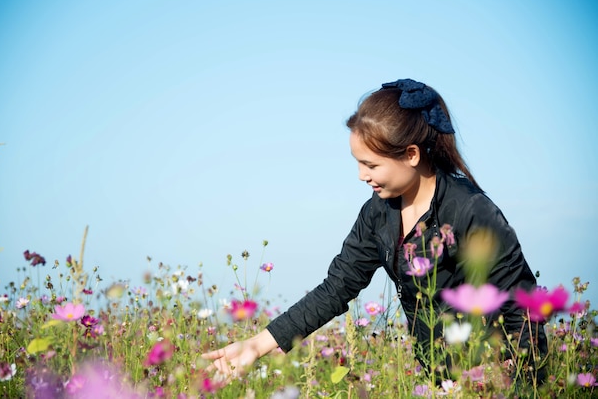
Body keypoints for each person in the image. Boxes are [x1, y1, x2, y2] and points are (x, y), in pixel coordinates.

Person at [202, 78, 547, 383]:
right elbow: (337, 288)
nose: (361, 175)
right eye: (357, 162)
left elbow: (522, 310)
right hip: (434, 381)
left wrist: (516, 383)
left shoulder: (471, 211)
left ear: (411, 154)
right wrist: (257, 345)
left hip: (484, 378)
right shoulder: (377, 213)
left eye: (370, 164)